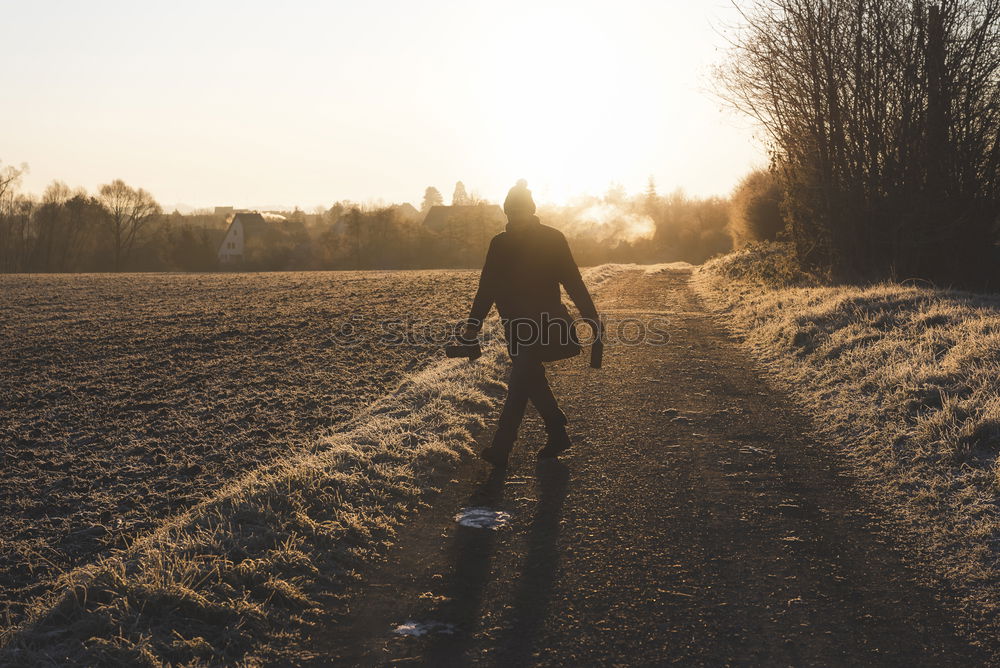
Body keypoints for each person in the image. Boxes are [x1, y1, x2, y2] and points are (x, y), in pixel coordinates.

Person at [459, 180, 601, 467]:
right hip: (515, 326)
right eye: (511, 212)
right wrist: (472, 327)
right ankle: (557, 430)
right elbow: (487, 287)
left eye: (520, 211)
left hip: (547, 324)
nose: (516, 217)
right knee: (530, 379)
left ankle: (502, 446)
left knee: (520, 379)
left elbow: (572, 280)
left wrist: (591, 316)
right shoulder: (499, 244)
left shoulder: (552, 239)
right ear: (506, 213)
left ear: (531, 210)